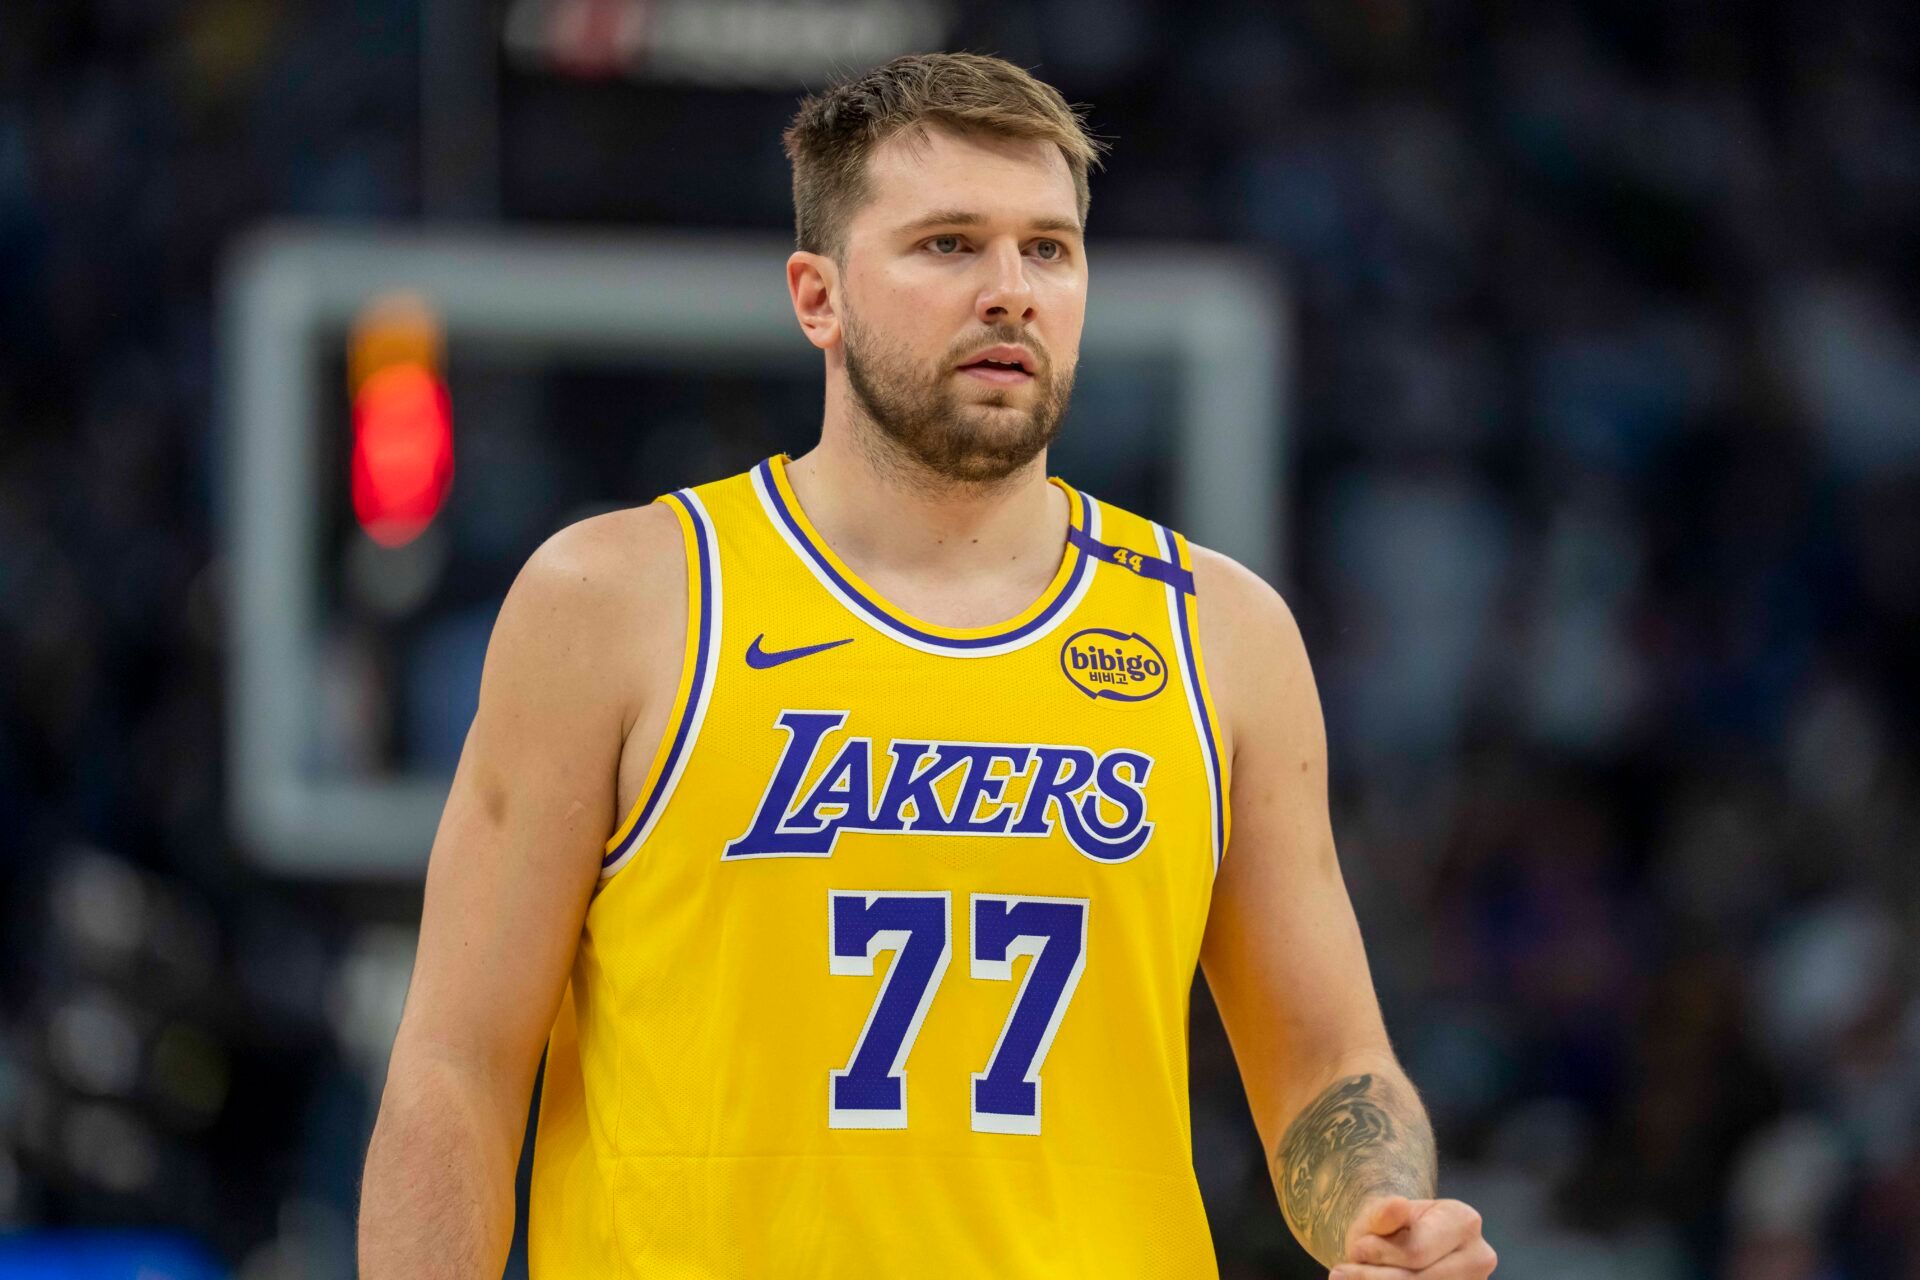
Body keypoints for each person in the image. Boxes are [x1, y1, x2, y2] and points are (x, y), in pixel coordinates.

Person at [358, 51, 1496, 1280]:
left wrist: (1384, 1211)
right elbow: (457, 1069)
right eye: (949, 245)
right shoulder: (621, 600)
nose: (1011, 292)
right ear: (819, 297)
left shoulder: (1220, 633)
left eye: (1048, 249)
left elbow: (1328, 1064)